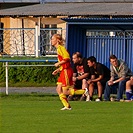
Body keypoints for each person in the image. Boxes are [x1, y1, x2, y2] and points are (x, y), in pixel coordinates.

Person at [51, 34, 88, 110]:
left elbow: (67, 58)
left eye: (53, 39)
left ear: (57, 40)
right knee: (58, 89)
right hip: (63, 71)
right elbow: (64, 62)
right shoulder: (58, 49)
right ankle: (67, 106)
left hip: (66, 71)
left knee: (65, 91)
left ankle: (84, 91)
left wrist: (58, 63)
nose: (51, 41)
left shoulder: (61, 48)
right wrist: (58, 70)